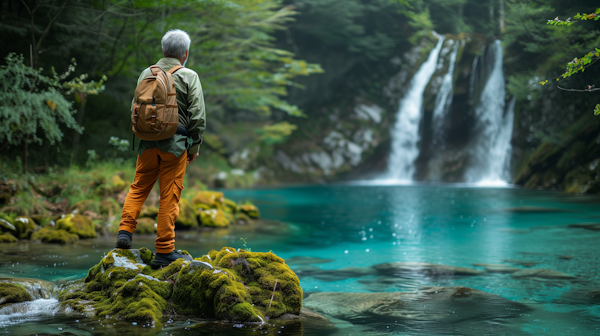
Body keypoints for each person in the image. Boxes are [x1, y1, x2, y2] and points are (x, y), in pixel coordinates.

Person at [115, 29, 205, 267]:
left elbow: (135, 107)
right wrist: (194, 146)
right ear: (184, 54)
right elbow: (198, 116)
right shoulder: (189, 75)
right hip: (174, 146)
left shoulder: (146, 73)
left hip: (146, 143)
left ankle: (125, 232)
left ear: (163, 51)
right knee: (169, 194)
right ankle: (164, 250)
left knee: (138, 187)